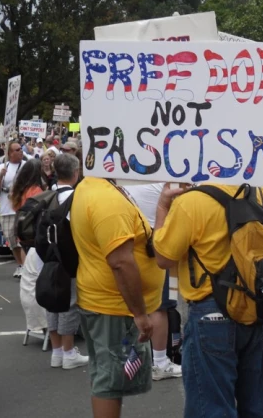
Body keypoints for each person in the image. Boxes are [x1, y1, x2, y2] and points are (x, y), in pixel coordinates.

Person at [154, 182, 263, 417]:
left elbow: (163, 257)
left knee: (210, 408)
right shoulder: (262, 193)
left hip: (211, 311)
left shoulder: (192, 201)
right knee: (256, 408)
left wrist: (162, 207)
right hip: (257, 306)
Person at [71, 177, 163, 418]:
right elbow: (121, 262)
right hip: (114, 307)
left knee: (110, 377)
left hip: (108, 303)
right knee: (110, 382)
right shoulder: (107, 200)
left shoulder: (93, 185)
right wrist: (140, 314)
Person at [124, 182, 182, 381]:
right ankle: (160, 362)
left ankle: (136, 360)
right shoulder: (166, 183)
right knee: (161, 306)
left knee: (138, 305)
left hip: (131, 250)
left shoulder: (125, 183)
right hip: (156, 250)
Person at [43, 153, 88, 370]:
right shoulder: (77, 197)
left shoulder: (47, 195)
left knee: (52, 301)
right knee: (69, 303)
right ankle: (69, 352)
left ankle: (57, 351)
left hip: (48, 256)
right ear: (76, 172)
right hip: (69, 256)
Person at [0, 140, 26, 279]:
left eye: (21, 149)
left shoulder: (26, 166)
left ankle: (25, 266)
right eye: (17, 150)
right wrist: (0, 176)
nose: (20, 152)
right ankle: (21, 264)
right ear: (10, 153)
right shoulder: (2, 167)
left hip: (23, 208)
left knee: (21, 240)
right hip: (7, 209)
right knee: (12, 242)